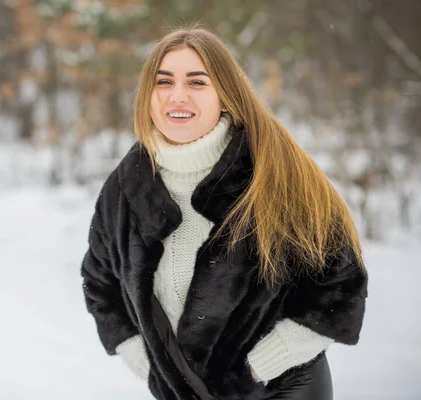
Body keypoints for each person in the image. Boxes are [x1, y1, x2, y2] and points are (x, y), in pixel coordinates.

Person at [81, 26, 368, 400]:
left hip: (279, 389)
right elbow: (100, 280)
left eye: (197, 82)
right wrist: (140, 355)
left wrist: (259, 365)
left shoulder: (274, 173)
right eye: (163, 81)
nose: (176, 96)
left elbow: (340, 287)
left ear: (226, 95)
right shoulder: (127, 185)